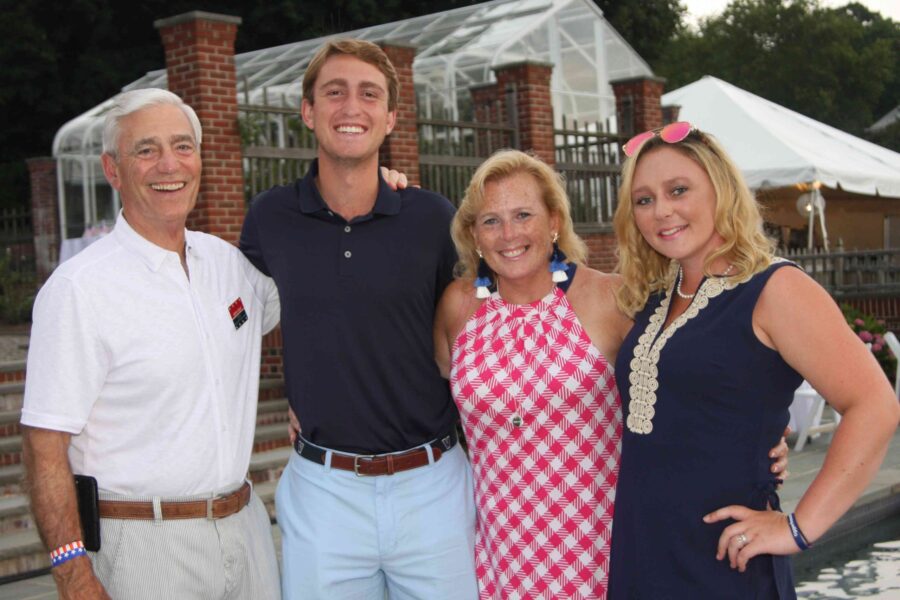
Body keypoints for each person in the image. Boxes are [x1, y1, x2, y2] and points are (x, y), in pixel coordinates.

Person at [434, 149, 789, 599]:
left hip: (603, 552)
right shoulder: (456, 307)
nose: (509, 234)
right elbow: (432, 401)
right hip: (501, 557)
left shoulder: (612, 298)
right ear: (473, 235)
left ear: (554, 222)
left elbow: (690, 377)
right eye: (491, 221)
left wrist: (761, 436)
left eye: (524, 214)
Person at [607, 122, 900, 599]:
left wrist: (799, 528)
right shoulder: (654, 297)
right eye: (643, 199)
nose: (662, 211)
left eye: (678, 190)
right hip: (646, 551)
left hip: (723, 561)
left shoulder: (775, 288)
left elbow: (876, 406)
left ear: (720, 191)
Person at [21, 89, 282, 599]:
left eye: (183, 146)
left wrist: (373, 192)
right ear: (112, 170)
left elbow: (326, 306)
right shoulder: (79, 289)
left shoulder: (229, 265)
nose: (170, 164)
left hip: (245, 531)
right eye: (146, 150)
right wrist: (72, 574)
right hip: (142, 544)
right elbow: (43, 445)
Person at [239, 39, 477, 599]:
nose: (352, 107)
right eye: (334, 92)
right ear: (308, 110)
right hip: (324, 493)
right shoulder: (271, 218)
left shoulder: (432, 218)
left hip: (433, 487)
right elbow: (231, 316)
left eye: (369, 94)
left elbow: (476, 326)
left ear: (390, 117)